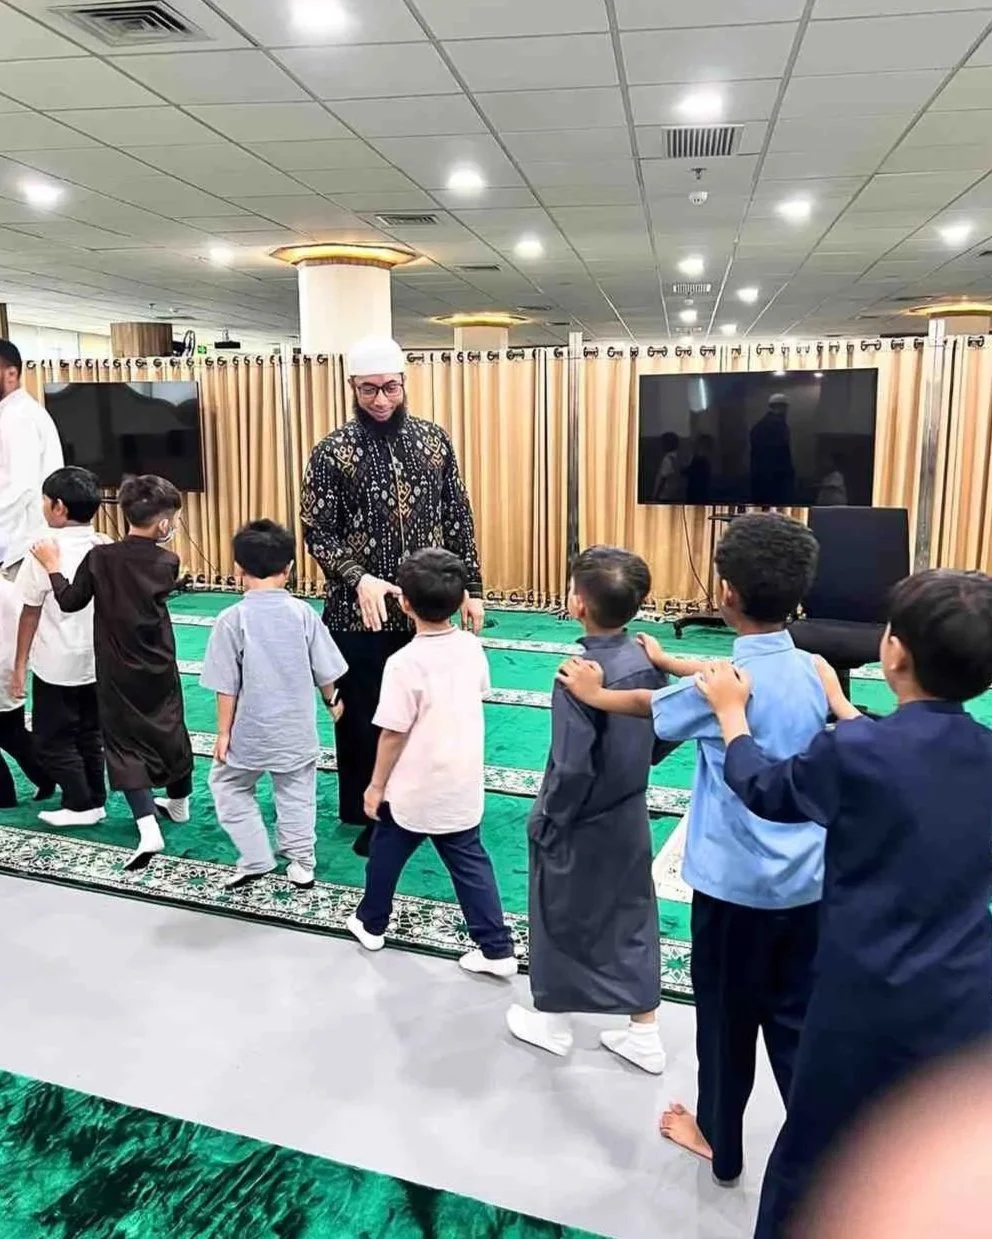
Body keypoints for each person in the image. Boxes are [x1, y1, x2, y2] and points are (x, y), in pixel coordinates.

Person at [696, 568, 992, 1239]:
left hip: (867, 994)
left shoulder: (857, 750)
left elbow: (765, 788)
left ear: (893, 651)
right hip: (970, 994)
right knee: (931, 1153)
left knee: (814, 1152)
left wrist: (730, 717)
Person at [558, 513, 827, 1186]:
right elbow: (715, 675)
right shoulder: (818, 669)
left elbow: (656, 707)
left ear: (725, 592)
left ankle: (719, 1142)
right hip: (809, 888)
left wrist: (597, 691)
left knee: (726, 1028)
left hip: (735, 892)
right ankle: (827, 1157)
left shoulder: (718, 689)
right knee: (797, 1025)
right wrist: (674, 658)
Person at [300, 336, 485, 854]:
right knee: (364, 714)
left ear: (404, 384)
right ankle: (371, 812)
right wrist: (359, 577)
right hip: (359, 611)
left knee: (426, 713)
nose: (380, 400)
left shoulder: (433, 441)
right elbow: (318, 530)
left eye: (388, 388)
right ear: (351, 389)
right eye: (368, 390)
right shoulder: (333, 451)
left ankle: (421, 805)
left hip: (427, 608)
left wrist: (470, 588)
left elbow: (458, 518)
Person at [506, 547, 686, 1073]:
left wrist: (549, 819)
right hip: (629, 811)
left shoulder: (577, 675)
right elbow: (667, 727)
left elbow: (571, 766)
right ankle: (644, 1033)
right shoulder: (647, 663)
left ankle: (554, 1021)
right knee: (632, 913)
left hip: (581, 818)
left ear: (579, 604)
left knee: (561, 914)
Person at [346, 548, 516, 978]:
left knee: (386, 849)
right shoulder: (471, 647)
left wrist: (375, 785)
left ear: (403, 603)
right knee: (470, 861)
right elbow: (477, 692)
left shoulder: (403, 662)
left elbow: (393, 732)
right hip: (460, 780)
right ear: (462, 602)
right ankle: (496, 947)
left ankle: (371, 922)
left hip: (414, 789)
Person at [31, 475, 194, 870]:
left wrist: (53, 567)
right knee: (170, 728)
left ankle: (147, 828)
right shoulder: (168, 562)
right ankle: (179, 802)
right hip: (158, 663)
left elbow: (70, 601)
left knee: (124, 744)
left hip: (117, 668)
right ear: (164, 525)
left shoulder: (101, 558)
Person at [201, 520, 348, 891]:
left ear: (238, 569)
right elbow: (326, 670)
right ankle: (302, 861)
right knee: (297, 793)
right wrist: (332, 701)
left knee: (229, 786)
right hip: (295, 731)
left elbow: (225, 686)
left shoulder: (231, 620)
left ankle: (255, 855)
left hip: (248, 732)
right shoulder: (303, 615)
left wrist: (222, 732)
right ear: (290, 569)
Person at [12, 467, 110, 827]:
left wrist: (20, 664)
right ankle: (94, 799)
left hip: (57, 664)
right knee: (90, 732)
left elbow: (29, 613)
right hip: (97, 660)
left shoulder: (43, 550)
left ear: (57, 507)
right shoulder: (104, 545)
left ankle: (80, 803)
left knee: (52, 740)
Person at [0, 340, 63, 579]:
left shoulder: (17, 417)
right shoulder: (14, 413)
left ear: (11, 374)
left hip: (21, 547)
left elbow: (18, 489)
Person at [0, 575, 53, 808]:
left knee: (13, 735)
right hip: (13, 669)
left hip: (6, 669)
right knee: (14, 734)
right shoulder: (15, 590)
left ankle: (4, 796)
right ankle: (46, 776)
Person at [750, 393, 795, 505]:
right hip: (775, 479)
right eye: (785, 407)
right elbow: (783, 453)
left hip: (759, 477)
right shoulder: (779, 425)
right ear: (782, 407)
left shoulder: (759, 425)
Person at [652, 432, 682, 502]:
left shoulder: (667, 459)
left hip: (664, 495)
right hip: (674, 494)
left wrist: (655, 495)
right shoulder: (677, 458)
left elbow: (662, 479)